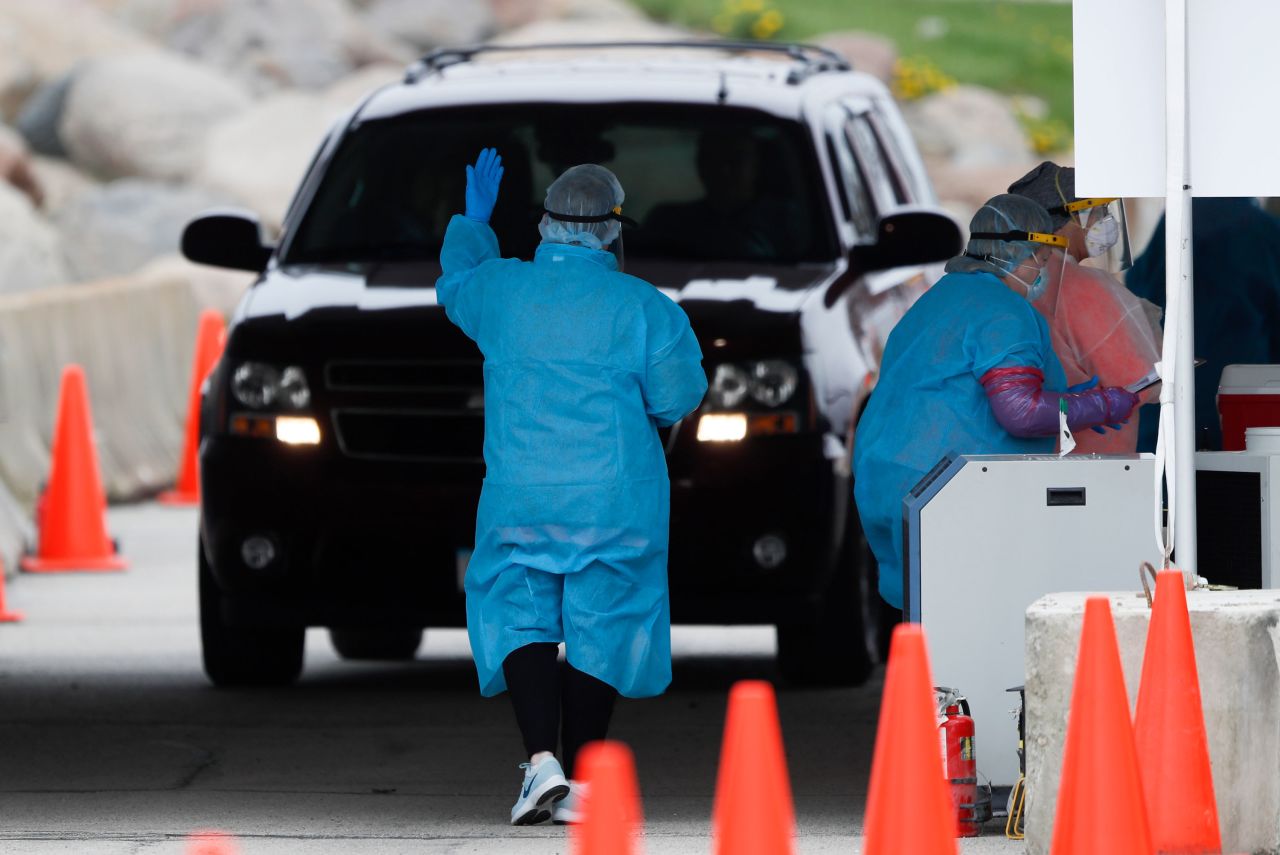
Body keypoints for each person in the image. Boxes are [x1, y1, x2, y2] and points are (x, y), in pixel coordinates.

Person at [436, 148, 707, 826]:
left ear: (545, 226)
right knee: (604, 622)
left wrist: (474, 221)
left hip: (521, 496)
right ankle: (582, 778)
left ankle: (540, 761)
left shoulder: (502, 290)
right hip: (614, 502)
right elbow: (679, 396)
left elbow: (456, 284)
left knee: (520, 610)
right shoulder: (644, 307)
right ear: (615, 231)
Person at [852, 195, 1141, 610]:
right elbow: (1020, 413)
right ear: (1016, 253)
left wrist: (1071, 401)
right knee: (972, 630)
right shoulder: (1004, 311)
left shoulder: (940, 297)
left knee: (929, 624)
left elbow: (957, 386)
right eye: (1040, 260)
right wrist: (1102, 405)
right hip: (947, 493)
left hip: (890, 477)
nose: (1042, 271)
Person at [1008, 162, 1162, 453]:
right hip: (1097, 464)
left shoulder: (1012, 279)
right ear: (1064, 220)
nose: (1106, 222)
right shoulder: (1088, 288)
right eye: (1097, 213)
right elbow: (1142, 380)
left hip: (1031, 458)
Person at [1127, 197, 1280, 450]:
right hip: (1240, 401)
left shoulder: (1173, 229)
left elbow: (1136, 296)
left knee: (1170, 483)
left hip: (1168, 404)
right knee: (1242, 482)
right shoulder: (1261, 233)